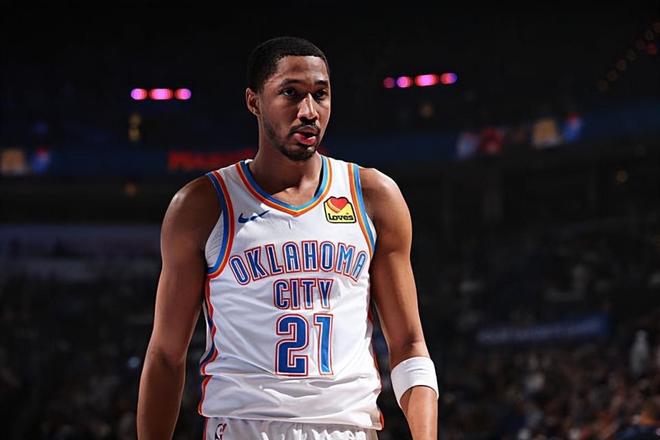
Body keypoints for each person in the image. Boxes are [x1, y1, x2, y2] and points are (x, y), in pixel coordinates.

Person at [137, 36, 438, 440]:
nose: (309, 111)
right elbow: (165, 354)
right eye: (291, 93)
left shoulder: (374, 196)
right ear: (254, 101)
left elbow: (409, 344)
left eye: (320, 94)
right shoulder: (202, 205)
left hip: (348, 429)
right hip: (244, 427)